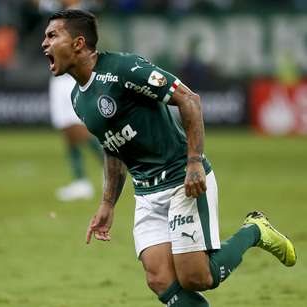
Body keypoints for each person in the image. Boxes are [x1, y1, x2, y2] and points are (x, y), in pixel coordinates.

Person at [41, 9, 297, 306]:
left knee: (195, 278)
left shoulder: (124, 69)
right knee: (159, 278)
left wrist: (194, 162)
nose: (44, 43)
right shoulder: (78, 98)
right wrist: (108, 204)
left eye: (52, 35)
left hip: (181, 179)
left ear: (78, 43)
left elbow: (189, 99)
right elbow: (113, 148)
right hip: (146, 191)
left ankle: (255, 231)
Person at [38, 0, 104, 202]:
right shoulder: (55, 10)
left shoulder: (84, 11)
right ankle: (80, 181)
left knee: (76, 127)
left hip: (73, 74)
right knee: (66, 129)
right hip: (60, 74)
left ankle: (110, 167)